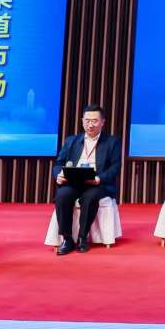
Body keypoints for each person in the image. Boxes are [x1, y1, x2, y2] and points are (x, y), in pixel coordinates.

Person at [52, 104, 122, 256]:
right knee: (62, 196)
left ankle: (82, 237)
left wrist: (99, 178)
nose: (90, 125)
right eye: (87, 120)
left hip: (96, 183)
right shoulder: (71, 141)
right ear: (82, 121)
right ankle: (67, 239)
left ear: (102, 122)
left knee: (90, 197)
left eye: (94, 121)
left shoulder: (112, 142)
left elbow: (115, 167)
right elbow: (58, 163)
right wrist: (58, 174)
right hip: (73, 182)